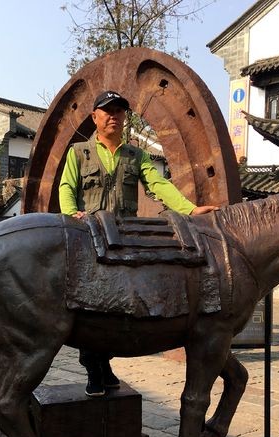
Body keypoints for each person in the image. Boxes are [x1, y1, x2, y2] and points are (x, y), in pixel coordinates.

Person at [58, 90, 219, 397]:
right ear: (94, 117)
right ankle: (94, 367)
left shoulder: (136, 155)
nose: (113, 116)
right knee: (91, 303)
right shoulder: (79, 153)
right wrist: (70, 216)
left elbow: (159, 185)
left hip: (124, 239)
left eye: (119, 111)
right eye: (107, 111)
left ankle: (103, 364)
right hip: (90, 238)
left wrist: (189, 209)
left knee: (120, 304)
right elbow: (67, 188)